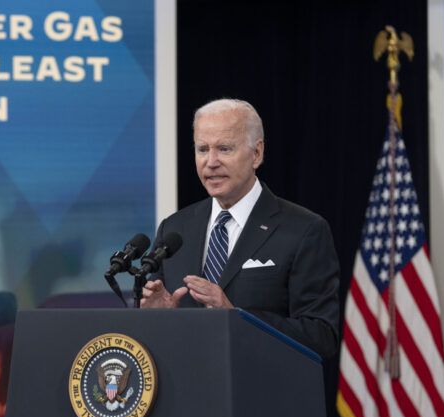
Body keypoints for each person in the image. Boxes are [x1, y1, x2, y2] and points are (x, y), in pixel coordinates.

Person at [141, 99, 340, 358]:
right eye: (202, 149)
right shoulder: (175, 228)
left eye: (224, 149)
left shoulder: (304, 230)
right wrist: (160, 320)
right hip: (188, 392)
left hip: (261, 392)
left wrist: (236, 317)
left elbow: (321, 336)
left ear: (256, 154)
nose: (210, 162)